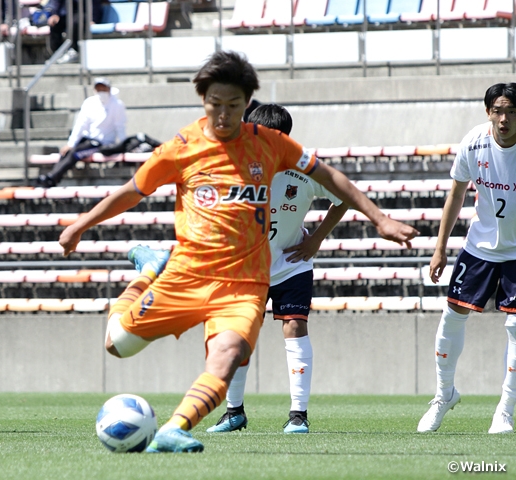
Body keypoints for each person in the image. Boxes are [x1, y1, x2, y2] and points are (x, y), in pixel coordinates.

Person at [59, 51, 418, 453]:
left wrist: (380, 219)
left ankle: (175, 429)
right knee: (117, 344)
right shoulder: (180, 148)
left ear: (247, 103)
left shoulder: (272, 145)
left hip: (244, 280)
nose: (224, 115)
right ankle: (147, 269)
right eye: (216, 105)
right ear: (202, 100)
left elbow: (330, 176)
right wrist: (80, 224)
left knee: (229, 352)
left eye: (233, 105)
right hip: (187, 273)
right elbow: (131, 192)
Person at [204, 104, 349, 434]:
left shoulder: (306, 170)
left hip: (291, 265)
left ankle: (298, 415)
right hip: (247, 269)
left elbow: (343, 198)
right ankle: (234, 413)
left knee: (295, 327)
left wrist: (317, 240)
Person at [417, 83, 516, 435]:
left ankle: (504, 410)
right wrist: (440, 247)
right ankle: (444, 395)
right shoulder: (473, 142)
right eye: (498, 111)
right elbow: (456, 194)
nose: (504, 119)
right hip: (480, 248)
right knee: (452, 316)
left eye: (512, 111)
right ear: (487, 112)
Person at [35, 77, 126, 188]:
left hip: (102, 143)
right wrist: (71, 143)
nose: (101, 91)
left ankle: (53, 177)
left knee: (75, 153)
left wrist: (123, 145)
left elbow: (120, 126)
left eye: (103, 88)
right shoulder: (89, 103)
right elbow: (81, 125)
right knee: (68, 152)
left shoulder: (117, 105)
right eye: (98, 89)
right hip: (88, 140)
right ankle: (52, 176)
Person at [45, 0, 102, 64]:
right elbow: (57, 2)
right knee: (55, 25)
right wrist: (55, 14)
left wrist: (93, 19)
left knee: (76, 23)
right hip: (68, 13)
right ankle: (58, 53)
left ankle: (74, 52)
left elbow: (94, 4)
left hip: (85, 13)